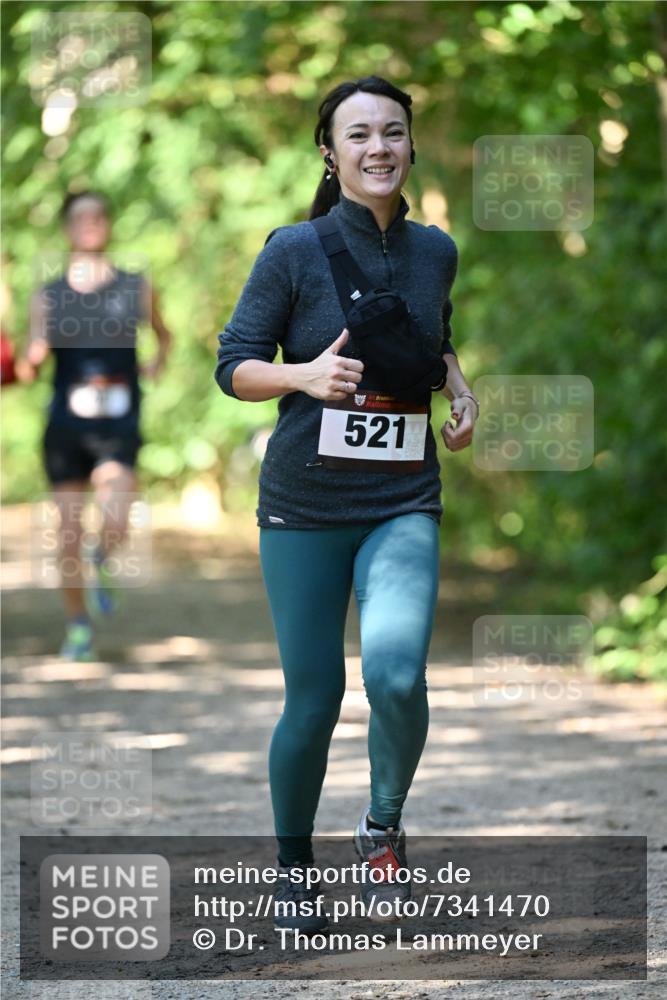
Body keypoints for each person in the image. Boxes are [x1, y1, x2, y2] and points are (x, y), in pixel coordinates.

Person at [214, 76, 478, 931]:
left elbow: (431, 339)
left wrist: (460, 387)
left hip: (403, 496)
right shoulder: (291, 248)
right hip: (304, 504)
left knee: (397, 674)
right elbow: (235, 365)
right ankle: (294, 868)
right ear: (329, 153)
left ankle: (381, 830)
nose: (378, 148)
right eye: (358, 134)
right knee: (314, 697)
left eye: (392, 132)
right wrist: (302, 375)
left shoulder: (436, 248)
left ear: (410, 146)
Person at [17, 191, 173, 661]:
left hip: (119, 421)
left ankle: (99, 556)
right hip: (65, 426)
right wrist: (25, 357)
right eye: (81, 218)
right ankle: (79, 626)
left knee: (118, 514)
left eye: (99, 216)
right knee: (65, 533)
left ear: (108, 225)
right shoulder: (49, 295)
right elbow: (31, 364)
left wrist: (155, 363)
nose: (91, 224)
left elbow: (164, 336)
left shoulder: (135, 287)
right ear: (67, 229)